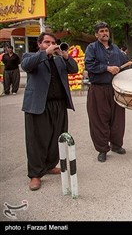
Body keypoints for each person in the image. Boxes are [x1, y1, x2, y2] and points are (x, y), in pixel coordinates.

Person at [21, 32, 78, 191]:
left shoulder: (59, 59)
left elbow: (74, 69)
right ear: (39, 44)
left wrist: (65, 55)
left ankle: (50, 165)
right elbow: (26, 66)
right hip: (38, 105)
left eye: (53, 42)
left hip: (59, 105)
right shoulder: (31, 56)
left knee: (57, 137)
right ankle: (35, 174)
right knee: (36, 140)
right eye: (46, 42)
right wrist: (45, 53)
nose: (51, 44)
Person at [84, 22, 128, 162]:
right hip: (98, 89)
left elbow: (124, 64)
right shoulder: (92, 48)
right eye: (101, 31)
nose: (105, 33)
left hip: (115, 89)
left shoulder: (115, 49)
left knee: (118, 119)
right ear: (96, 34)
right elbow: (89, 65)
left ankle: (116, 145)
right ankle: (102, 149)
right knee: (99, 119)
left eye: (106, 31)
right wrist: (107, 68)